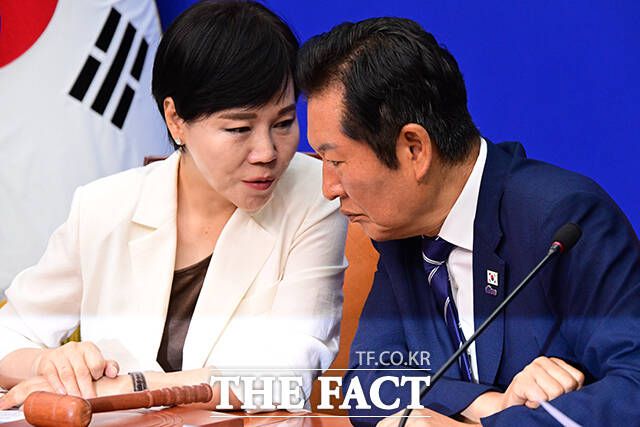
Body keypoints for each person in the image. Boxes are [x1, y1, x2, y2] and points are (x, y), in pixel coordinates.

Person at [0, 0, 347, 410]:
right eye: (239, 128)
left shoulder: (316, 196)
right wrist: (50, 365)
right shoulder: (103, 206)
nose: (267, 152)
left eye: (284, 123)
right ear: (175, 119)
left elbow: (287, 370)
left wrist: (130, 387)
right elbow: (10, 334)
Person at [295, 16, 640, 426]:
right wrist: (484, 405)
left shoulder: (564, 221)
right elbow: (366, 384)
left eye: (336, 161)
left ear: (414, 149)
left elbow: (633, 388)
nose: (328, 188)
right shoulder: (398, 232)